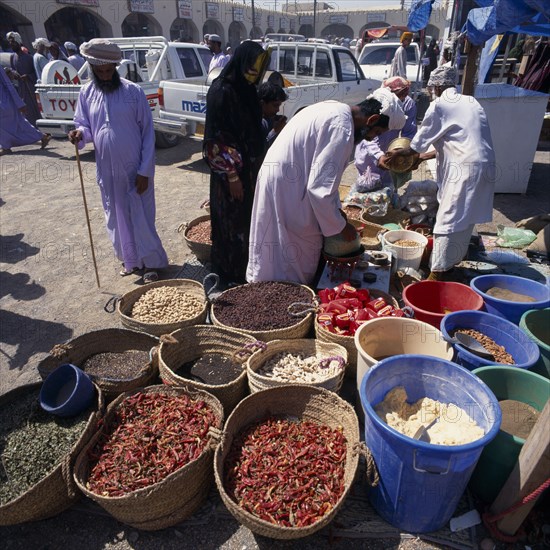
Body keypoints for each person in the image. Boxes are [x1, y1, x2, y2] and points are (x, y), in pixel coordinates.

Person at [247, 95, 406, 285]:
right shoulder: (342, 129)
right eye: (376, 132)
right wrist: (340, 226)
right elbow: (320, 191)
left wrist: (335, 212)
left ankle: (267, 287)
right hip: (290, 187)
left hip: (280, 181)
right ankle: (289, 292)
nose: (372, 138)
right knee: (296, 250)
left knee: (272, 244)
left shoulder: (332, 109)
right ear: (371, 120)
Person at [68, 39, 168, 284]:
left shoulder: (133, 92)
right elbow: (83, 124)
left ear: (115, 67)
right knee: (117, 215)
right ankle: (130, 261)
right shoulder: (86, 93)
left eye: (108, 70)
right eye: (99, 71)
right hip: (108, 170)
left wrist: (145, 171)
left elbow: (147, 133)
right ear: (92, 68)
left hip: (135, 168)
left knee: (141, 216)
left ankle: (151, 264)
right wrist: (79, 134)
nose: (104, 75)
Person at [388, 66, 496, 281]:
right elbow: (454, 141)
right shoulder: (470, 102)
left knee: (448, 218)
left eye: (430, 89)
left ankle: (436, 273)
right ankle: (452, 263)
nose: (430, 93)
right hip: (485, 165)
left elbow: (417, 145)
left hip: (464, 169)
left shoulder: (439, 105)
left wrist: (396, 157)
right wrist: (420, 158)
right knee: (466, 216)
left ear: (435, 87)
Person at [203, 41, 269, 286]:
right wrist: (232, 176)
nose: (254, 73)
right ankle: (227, 275)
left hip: (250, 171)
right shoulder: (221, 90)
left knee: (248, 220)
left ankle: (245, 272)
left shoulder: (248, 89)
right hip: (229, 174)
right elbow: (216, 138)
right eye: (251, 67)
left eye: (258, 68)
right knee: (230, 224)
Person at [354, 78, 414, 191]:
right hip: (368, 153)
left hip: (390, 152)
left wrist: (404, 151)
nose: (401, 97)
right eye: (398, 94)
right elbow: (367, 135)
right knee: (366, 187)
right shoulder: (380, 100)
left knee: (387, 189)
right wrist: (378, 155)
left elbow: (409, 131)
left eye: (403, 94)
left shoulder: (408, 103)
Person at [0, 67, 51, 155]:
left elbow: (8, 85)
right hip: (4, 104)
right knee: (19, 124)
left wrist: (19, 103)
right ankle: (42, 136)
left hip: (5, 103)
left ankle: (6, 147)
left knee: (18, 124)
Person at [5, 31, 40, 127]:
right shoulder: (13, 57)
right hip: (21, 89)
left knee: (35, 109)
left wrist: (28, 76)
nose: (11, 45)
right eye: (10, 43)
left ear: (18, 43)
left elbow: (35, 73)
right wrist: (13, 73)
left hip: (31, 88)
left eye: (13, 42)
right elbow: (13, 69)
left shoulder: (29, 57)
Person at [257, 81, 288, 151]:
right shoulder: (257, 123)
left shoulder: (273, 119)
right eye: (275, 106)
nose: (278, 110)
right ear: (262, 104)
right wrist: (275, 131)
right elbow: (259, 151)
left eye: (279, 105)